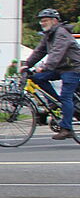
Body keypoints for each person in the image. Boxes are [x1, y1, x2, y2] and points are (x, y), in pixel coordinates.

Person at [21, 7, 80, 139]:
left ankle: (66, 128)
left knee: (66, 96)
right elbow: (39, 51)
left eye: (45, 20)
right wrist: (26, 65)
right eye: (41, 21)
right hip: (59, 68)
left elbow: (57, 52)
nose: (42, 23)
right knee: (37, 78)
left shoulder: (61, 33)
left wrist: (45, 66)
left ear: (54, 21)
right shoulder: (48, 35)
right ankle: (55, 102)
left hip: (73, 68)